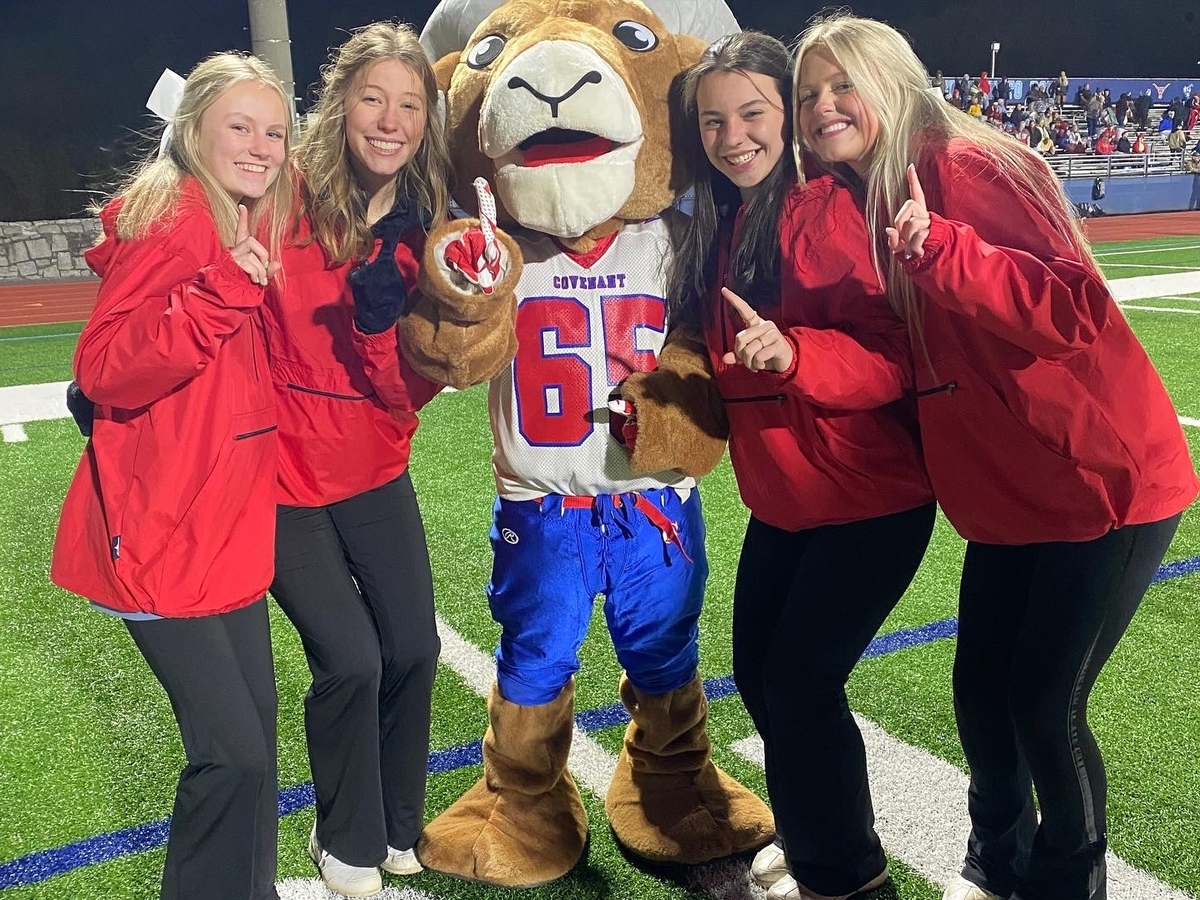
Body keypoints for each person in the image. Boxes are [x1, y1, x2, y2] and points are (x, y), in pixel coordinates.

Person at [792, 12, 1198, 900]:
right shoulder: (864, 192)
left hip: (1101, 482)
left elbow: (1072, 307)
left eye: (843, 83)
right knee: (982, 699)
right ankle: (1000, 862)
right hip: (1009, 493)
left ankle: (1066, 883)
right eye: (810, 92)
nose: (823, 105)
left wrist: (944, 249)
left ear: (894, 82)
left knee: (1045, 710)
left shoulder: (964, 167)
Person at [664, 30, 935, 900]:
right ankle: (818, 833)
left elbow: (894, 355)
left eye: (752, 113)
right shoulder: (729, 216)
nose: (732, 135)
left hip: (868, 495)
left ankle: (849, 878)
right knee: (761, 677)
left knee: (801, 679)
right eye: (712, 121)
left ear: (788, 115)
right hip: (789, 498)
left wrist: (797, 354)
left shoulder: (825, 207)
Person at [50, 53, 294, 900]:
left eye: (274, 131)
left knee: (253, 743)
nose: (261, 146)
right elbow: (104, 367)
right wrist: (223, 293)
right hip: (159, 534)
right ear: (193, 130)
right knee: (233, 755)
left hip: (219, 531)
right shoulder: (186, 216)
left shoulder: (231, 216)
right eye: (241, 126)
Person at [262, 22, 448, 897]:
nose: (390, 119)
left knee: (412, 647)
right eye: (373, 97)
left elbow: (411, 391)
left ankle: (400, 824)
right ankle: (343, 834)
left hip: (374, 464)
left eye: (409, 104)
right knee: (351, 658)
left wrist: (381, 327)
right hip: (279, 477)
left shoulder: (424, 236)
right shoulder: (280, 194)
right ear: (339, 103)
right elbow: (162, 225)